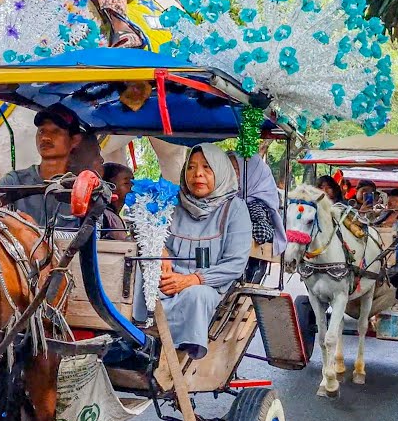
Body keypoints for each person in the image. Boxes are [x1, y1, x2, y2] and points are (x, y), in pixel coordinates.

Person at [136, 143, 252, 359]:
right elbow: (150, 232)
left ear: (220, 171)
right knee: (138, 279)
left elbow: (235, 264)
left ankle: (182, 351)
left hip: (208, 286)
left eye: (207, 167)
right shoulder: (173, 202)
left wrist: (192, 279)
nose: (197, 174)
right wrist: (160, 249)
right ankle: (136, 338)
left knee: (196, 296)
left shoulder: (235, 209)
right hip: (167, 281)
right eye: (191, 167)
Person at [0, 106, 86, 228]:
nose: (45, 138)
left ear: (75, 140)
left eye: (55, 132)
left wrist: (33, 232)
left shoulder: (83, 188)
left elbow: (92, 237)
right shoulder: (13, 182)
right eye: (41, 131)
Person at [228, 152, 286, 255]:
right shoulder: (228, 198)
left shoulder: (255, 204)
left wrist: (231, 227)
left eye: (235, 170)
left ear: (251, 174)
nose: (231, 175)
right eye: (228, 169)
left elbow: (263, 232)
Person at [101, 162, 134, 241]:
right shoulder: (103, 217)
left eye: (133, 182)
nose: (132, 187)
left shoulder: (113, 215)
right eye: (126, 183)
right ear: (109, 187)